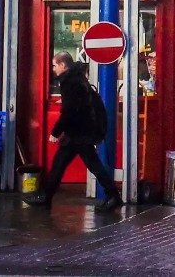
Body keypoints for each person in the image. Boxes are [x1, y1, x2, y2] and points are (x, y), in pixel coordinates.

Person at [23, 52, 123, 212]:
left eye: (55, 65)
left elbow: (69, 111)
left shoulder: (71, 83)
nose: (53, 69)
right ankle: (46, 196)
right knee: (63, 164)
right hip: (80, 132)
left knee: (84, 165)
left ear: (63, 65)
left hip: (79, 133)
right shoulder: (76, 79)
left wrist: (55, 132)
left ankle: (113, 195)